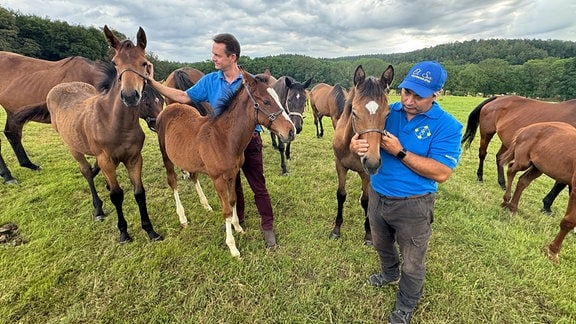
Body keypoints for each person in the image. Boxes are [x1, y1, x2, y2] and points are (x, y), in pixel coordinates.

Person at [350, 61, 463, 323]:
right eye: (405, 92)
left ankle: (405, 305)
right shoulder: (388, 110)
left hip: (414, 204)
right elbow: (365, 126)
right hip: (378, 195)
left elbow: (441, 173)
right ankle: (389, 273)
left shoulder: (448, 126)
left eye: (418, 96)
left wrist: (400, 152)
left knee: (412, 261)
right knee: (381, 243)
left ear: (437, 94)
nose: (409, 101)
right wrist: (358, 145)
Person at [145, 33, 278, 249]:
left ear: (232, 57)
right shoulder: (210, 80)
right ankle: (237, 218)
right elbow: (182, 97)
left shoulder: (249, 82)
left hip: (249, 140)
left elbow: (267, 104)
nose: (213, 58)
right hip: (220, 144)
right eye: (213, 54)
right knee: (232, 182)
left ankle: (267, 226)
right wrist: (151, 82)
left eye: (217, 54)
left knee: (258, 185)